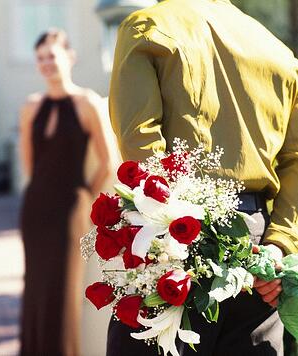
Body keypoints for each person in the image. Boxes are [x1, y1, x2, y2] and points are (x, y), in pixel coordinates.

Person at [107, 0, 298, 355]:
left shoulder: (146, 26)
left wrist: (171, 225)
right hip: (260, 248)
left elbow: (139, 139)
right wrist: (279, 243)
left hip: (176, 240)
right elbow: (294, 161)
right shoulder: (278, 51)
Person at [19, 29, 110, 356]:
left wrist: (85, 197)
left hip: (71, 210)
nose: (47, 63)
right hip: (36, 210)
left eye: (52, 56)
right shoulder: (30, 107)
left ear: (69, 58)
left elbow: (107, 162)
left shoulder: (87, 104)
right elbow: (30, 164)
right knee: (35, 288)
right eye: (41, 58)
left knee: (63, 292)